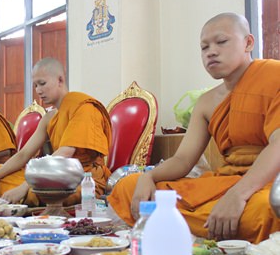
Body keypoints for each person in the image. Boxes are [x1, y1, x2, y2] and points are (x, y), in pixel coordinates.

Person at [108, 13, 280, 243]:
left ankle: (191, 229)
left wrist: (238, 195)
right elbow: (182, 160)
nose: (211, 51)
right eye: (204, 47)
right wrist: (147, 177)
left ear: (248, 42)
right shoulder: (207, 102)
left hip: (269, 184)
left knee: (265, 209)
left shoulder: (274, 76)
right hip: (226, 182)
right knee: (128, 186)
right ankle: (213, 228)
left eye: (221, 42)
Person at [0, 57, 112, 207]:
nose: (38, 90)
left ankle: (24, 195)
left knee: (37, 193)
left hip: (83, 179)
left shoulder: (83, 108)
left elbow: (65, 153)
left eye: (42, 84)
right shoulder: (49, 118)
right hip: (55, 175)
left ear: (60, 80)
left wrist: (26, 186)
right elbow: (24, 154)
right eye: (35, 85)